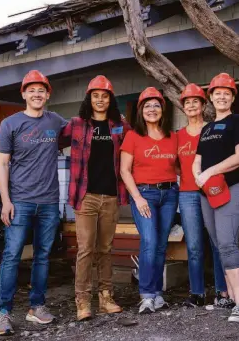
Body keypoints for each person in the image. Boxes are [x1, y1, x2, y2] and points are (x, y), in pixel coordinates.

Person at [0, 70, 68, 335]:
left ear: (48, 94)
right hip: (20, 201)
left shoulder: (56, 121)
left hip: (49, 201)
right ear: (24, 94)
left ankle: (36, 307)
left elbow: (81, 133)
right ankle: (3, 312)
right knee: (11, 256)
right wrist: (5, 200)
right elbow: (2, 164)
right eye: (31, 90)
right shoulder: (10, 124)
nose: (37, 94)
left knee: (43, 256)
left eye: (42, 90)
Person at [60, 75, 131, 321]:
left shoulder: (119, 125)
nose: (100, 100)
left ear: (110, 99)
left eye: (105, 96)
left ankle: (106, 298)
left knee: (105, 249)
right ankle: (82, 301)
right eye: (95, 96)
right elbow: (52, 143)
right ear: (89, 98)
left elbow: (133, 148)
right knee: (85, 249)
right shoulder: (77, 124)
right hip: (85, 196)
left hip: (111, 195)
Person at [193, 73, 239, 322]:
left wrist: (209, 172)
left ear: (233, 97)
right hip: (208, 192)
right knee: (219, 244)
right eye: (217, 92)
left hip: (234, 187)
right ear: (210, 97)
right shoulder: (206, 128)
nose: (221, 96)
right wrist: (198, 175)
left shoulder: (238, 122)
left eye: (226, 93)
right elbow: (196, 159)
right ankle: (228, 296)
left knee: (228, 243)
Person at [120, 87, 179, 314]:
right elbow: (125, 171)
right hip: (144, 195)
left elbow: (177, 167)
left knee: (162, 245)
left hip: (170, 194)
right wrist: (138, 198)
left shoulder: (172, 137)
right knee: (150, 242)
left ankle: (157, 293)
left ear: (163, 110)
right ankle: (146, 294)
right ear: (141, 111)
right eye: (147, 106)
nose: (152, 109)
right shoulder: (133, 136)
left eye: (156, 105)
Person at [176, 84, 229, 308]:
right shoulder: (177, 135)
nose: (191, 105)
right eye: (187, 102)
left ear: (203, 105)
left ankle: (222, 292)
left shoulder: (213, 129)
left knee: (217, 242)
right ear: (183, 107)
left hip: (212, 191)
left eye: (195, 101)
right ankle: (196, 292)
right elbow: (176, 165)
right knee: (195, 245)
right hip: (187, 193)